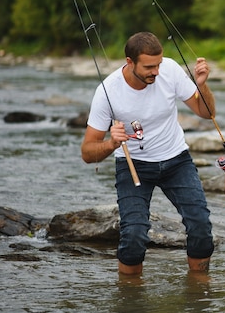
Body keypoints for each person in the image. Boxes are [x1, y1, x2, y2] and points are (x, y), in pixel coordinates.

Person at [81, 31, 216, 275]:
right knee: (133, 235)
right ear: (129, 62)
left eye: (158, 64)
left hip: (177, 161)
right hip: (134, 165)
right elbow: (88, 153)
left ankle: (199, 291)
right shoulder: (107, 91)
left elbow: (206, 113)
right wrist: (112, 143)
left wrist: (201, 86)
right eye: (149, 67)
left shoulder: (171, 70)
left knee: (201, 226)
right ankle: (131, 300)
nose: (156, 71)